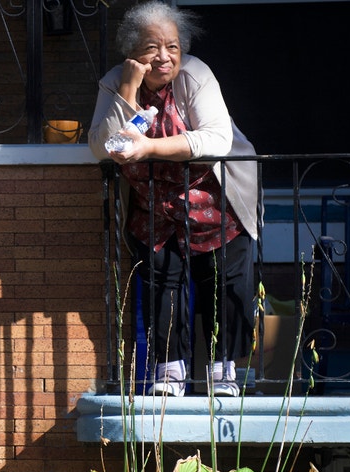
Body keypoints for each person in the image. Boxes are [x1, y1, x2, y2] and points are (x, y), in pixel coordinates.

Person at [88, 1, 258, 397]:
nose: (164, 57)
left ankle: (223, 375)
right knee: (163, 287)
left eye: (173, 46)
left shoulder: (196, 75)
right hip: (155, 209)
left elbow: (217, 139)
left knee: (223, 285)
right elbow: (103, 146)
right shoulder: (115, 82)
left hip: (217, 204)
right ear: (132, 51)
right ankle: (170, 375)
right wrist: (129, 88)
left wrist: (148, 149)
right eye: (152, 47)